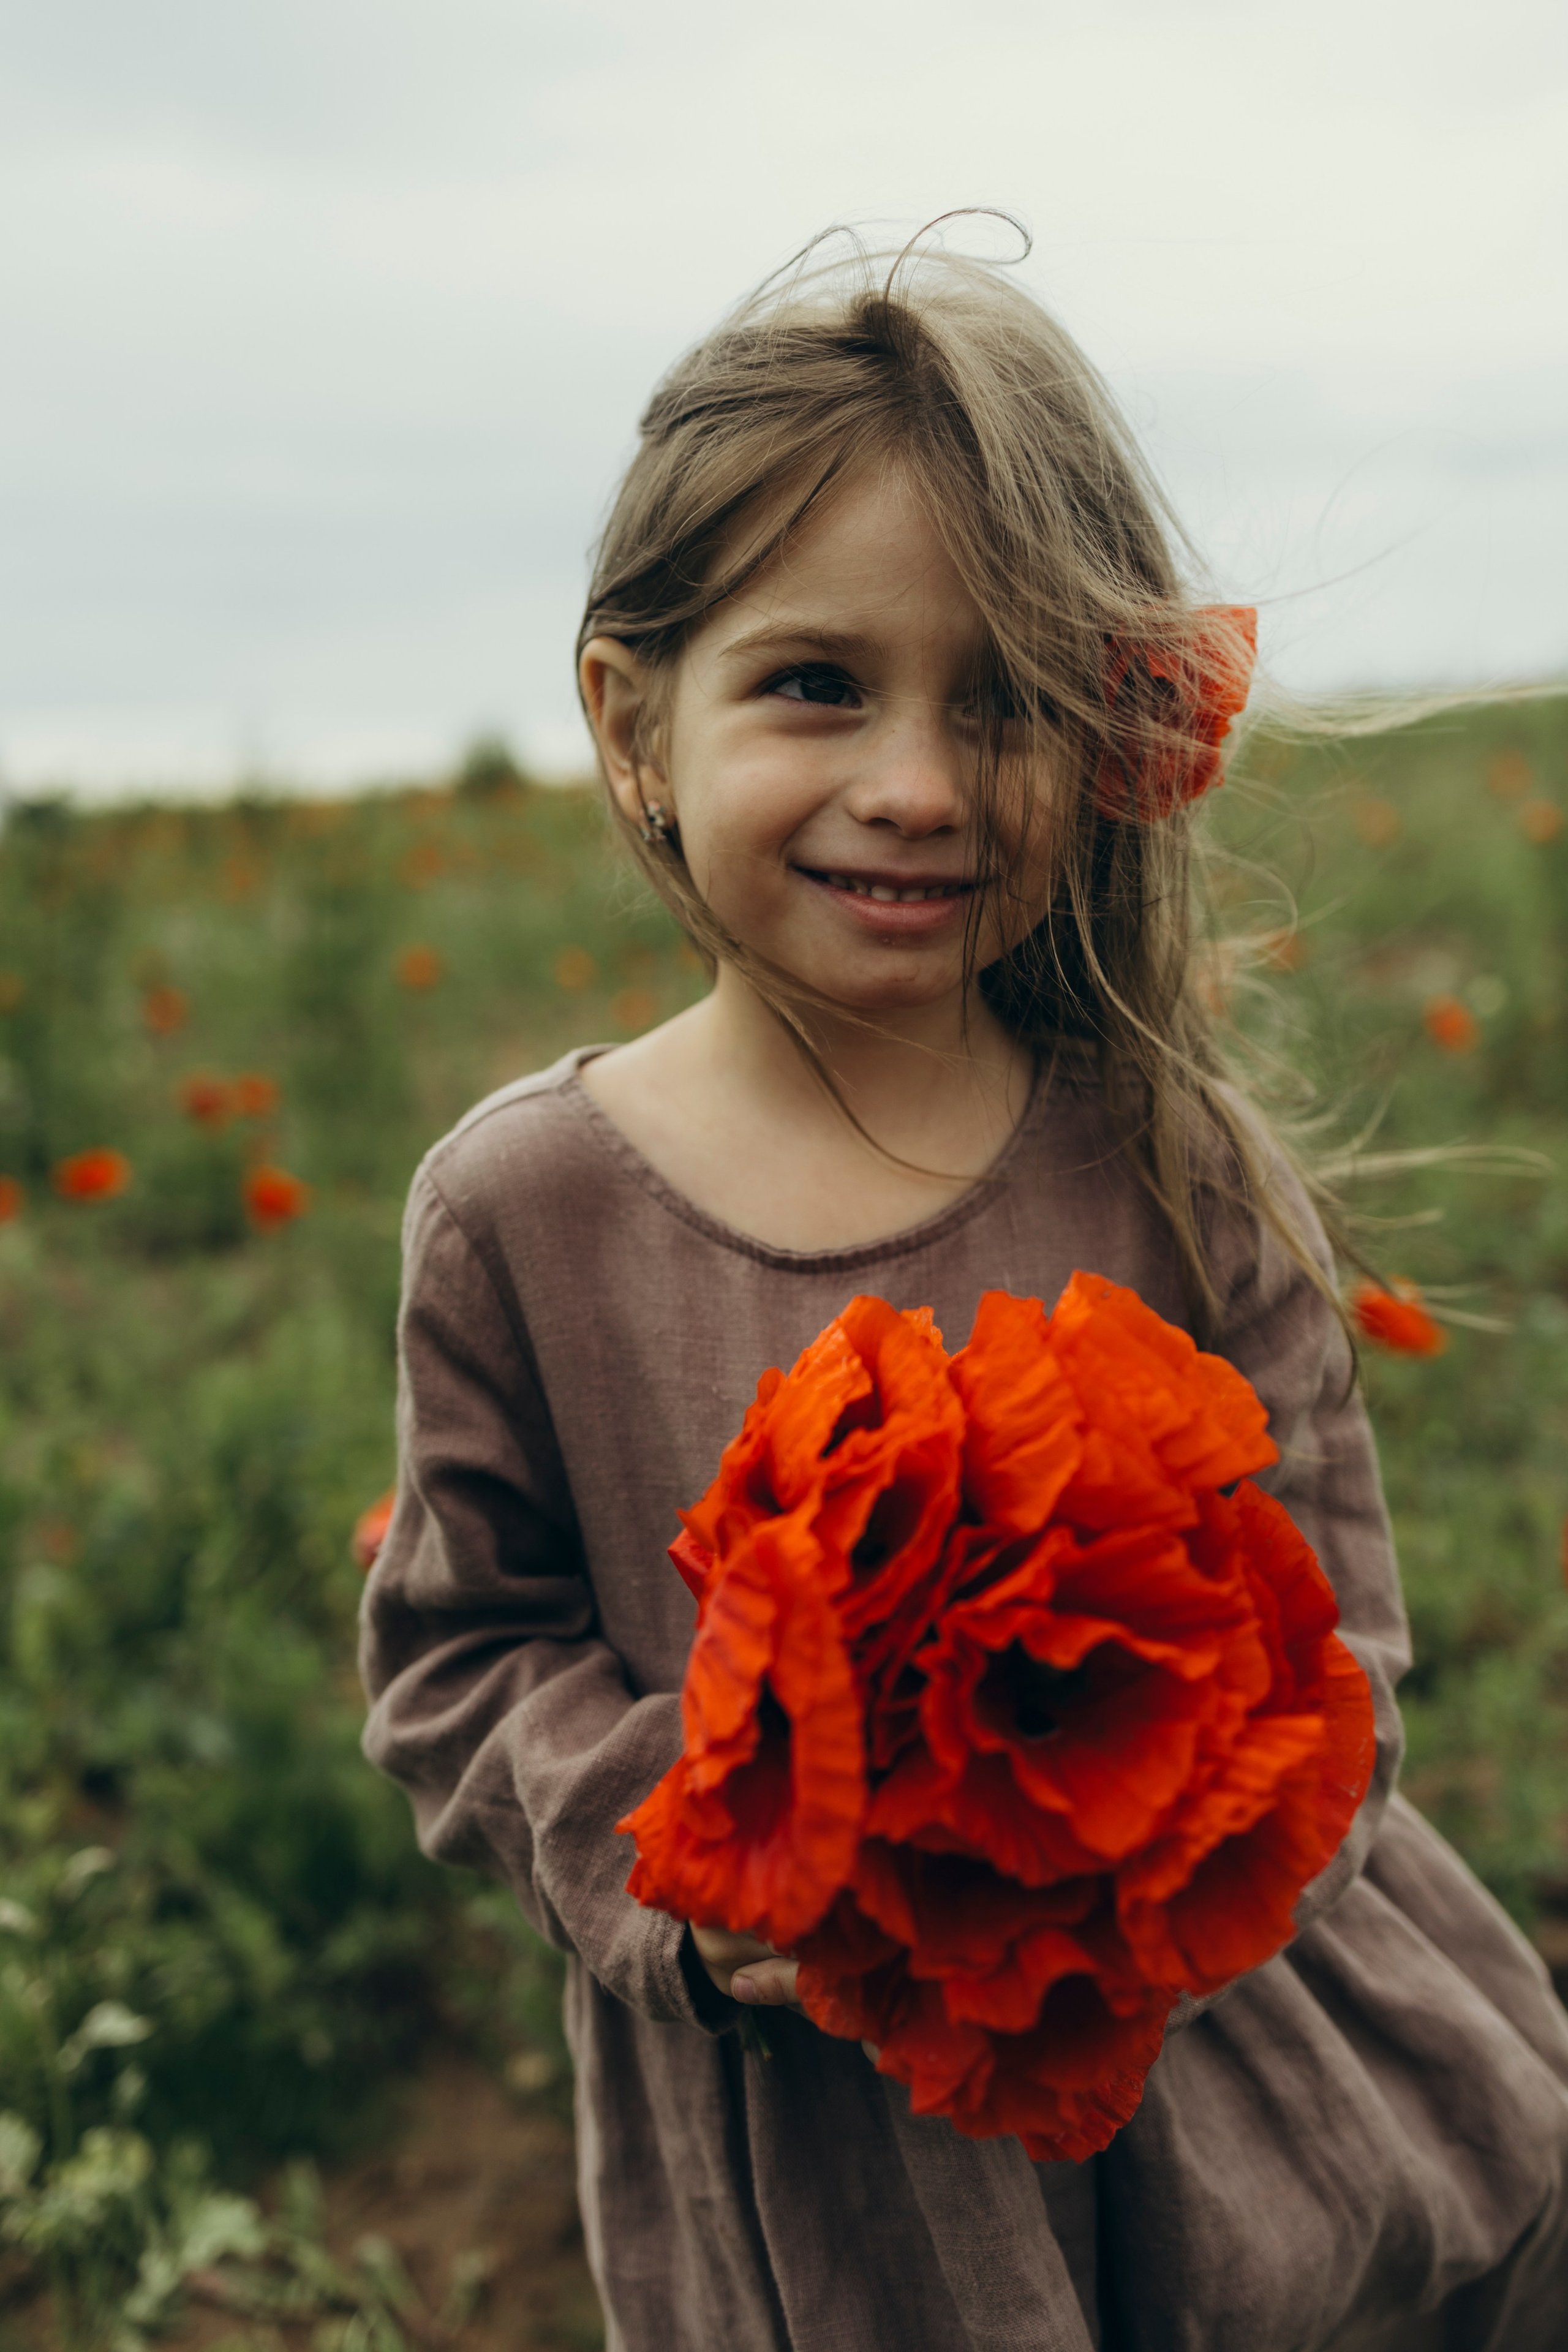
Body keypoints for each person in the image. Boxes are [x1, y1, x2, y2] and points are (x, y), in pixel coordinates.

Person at [359, 233, 1568, 2351]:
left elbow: (1339, 1646)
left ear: (1101, 739)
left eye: (1002, 698)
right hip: (833, 2162)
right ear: (633, 721)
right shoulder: (526, 1214)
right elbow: (462, 1667)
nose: (918, 782)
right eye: (816, 682)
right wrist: (700, 1856)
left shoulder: (1167, 1153)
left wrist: (1123, 1867)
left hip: (1232, 2096)